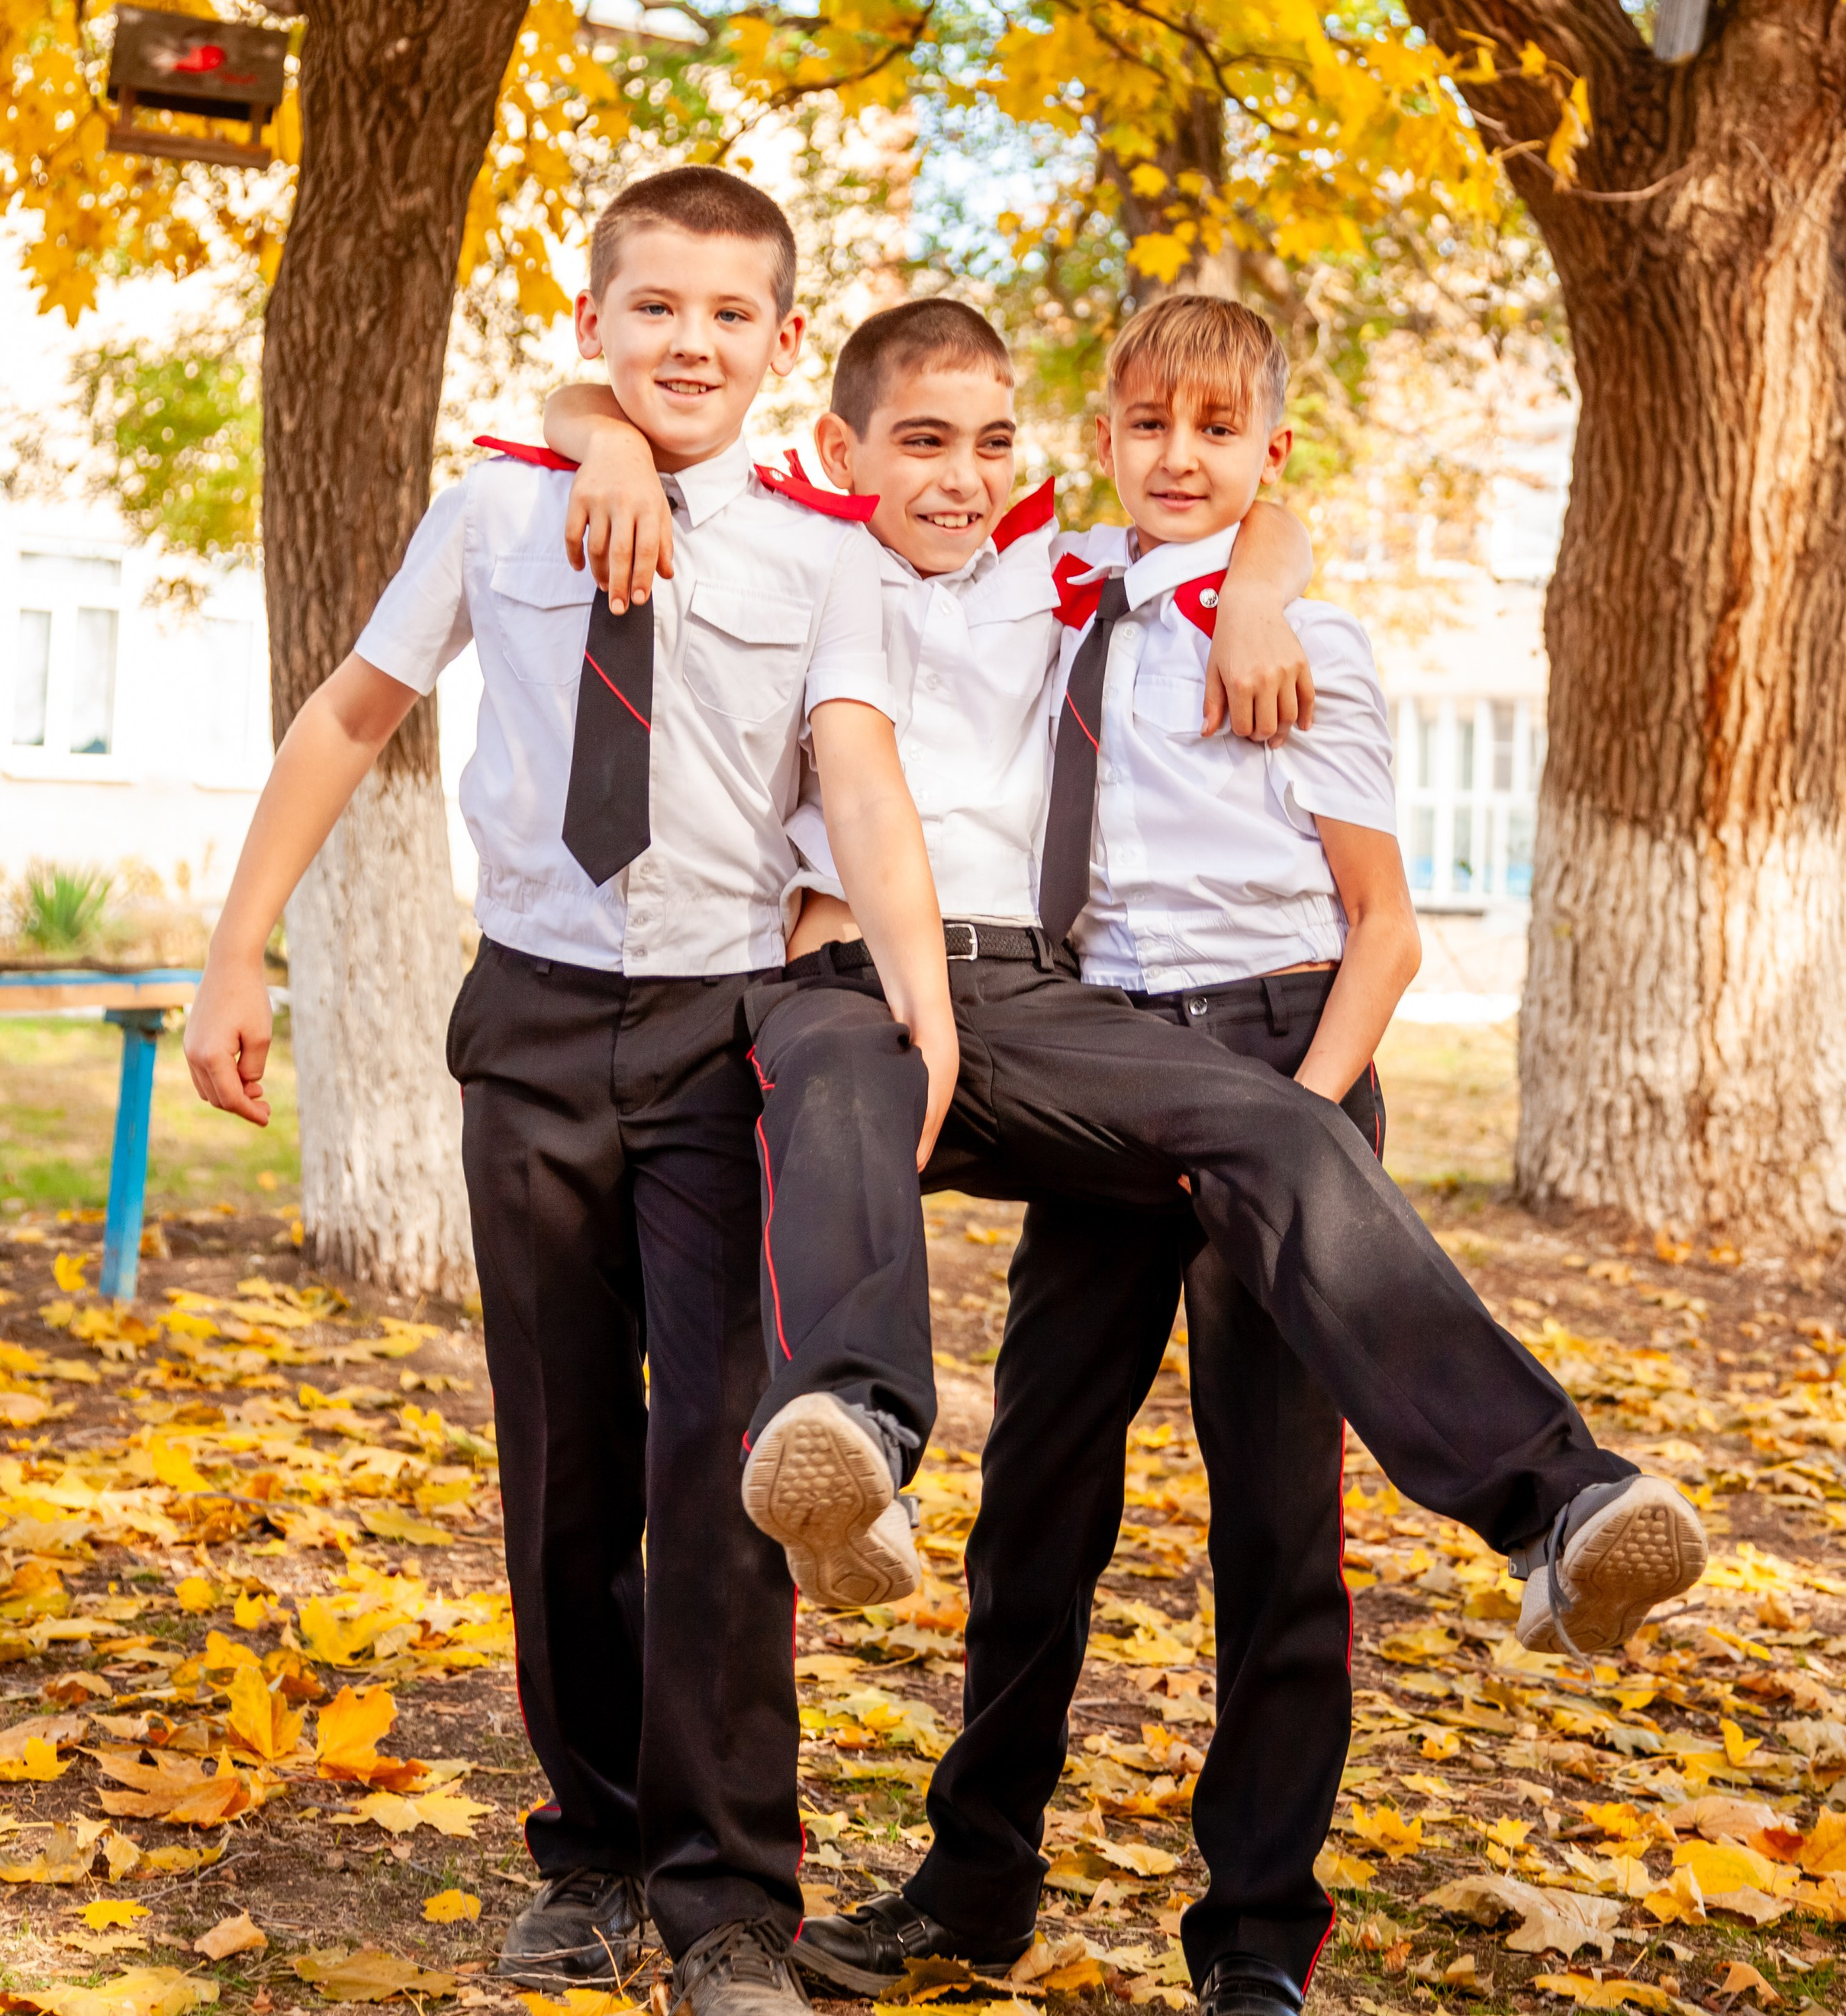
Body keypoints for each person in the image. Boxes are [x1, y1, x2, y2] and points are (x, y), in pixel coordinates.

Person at [546, 292, 1709, 2016]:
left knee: (1275, 1535)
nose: (1177, 457)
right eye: (1145, 427)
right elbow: (642, 419)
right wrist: (604, 436)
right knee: (1037, 1501)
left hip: (1278, 1057)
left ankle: (1267, 1923)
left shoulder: (1288, 636)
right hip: (1095, 1043)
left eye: (1216, 433)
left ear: (1266, 454)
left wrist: (1266, 591)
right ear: (1095, 445)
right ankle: (972, 1874)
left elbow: (1382, 925)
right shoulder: (1058, 571)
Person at [182, 169, 962, 2016]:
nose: (688, 344)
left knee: (721, 1470)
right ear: (592, 321)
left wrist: (920, 1002)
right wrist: (236, 950)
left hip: (720, 1036)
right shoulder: (496, 506)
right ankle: (594, 1854)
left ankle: (727, 1907)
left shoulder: (821, 554)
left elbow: (857, 774)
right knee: (562, 1465)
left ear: (784, 341)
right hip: (529, 1023)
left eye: (727, 315)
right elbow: (351, 714)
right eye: (652, 310)